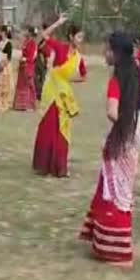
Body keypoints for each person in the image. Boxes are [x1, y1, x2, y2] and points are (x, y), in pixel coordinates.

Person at [79, 32, 140, 268]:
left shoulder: (116, 78)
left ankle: (114, 250)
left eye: (106, 49)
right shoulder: (135, 73)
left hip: (121, 134)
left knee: (113, 191)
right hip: (134, 133)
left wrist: (118, 123)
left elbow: (112, 111)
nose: (103, 53)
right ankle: (110, 243)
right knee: (123, 189)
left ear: (116, 53)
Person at [32, 14, 87, 177]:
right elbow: (44, 36)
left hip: (65, 95)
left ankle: (59, 166)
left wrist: (69, 80)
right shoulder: (60, 48)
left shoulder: (78, 58)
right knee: (48, 125)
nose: (80, 40)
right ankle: (43, 165)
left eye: (82, 37)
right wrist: (58, 22)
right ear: (71, 36)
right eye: (78, 36)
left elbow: (84, 76)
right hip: (52, 92)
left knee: (63, 128)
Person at [12, 25, 38, 111]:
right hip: (23, 66)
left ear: (30, 33)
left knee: (29, 84)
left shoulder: (33, 43)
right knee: (22, 85)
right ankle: (20, 105)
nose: (26, 33)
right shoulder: (26, 41)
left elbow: (33, 56)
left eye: (27, 31)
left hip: (28, 66)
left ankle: (30, 105)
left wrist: (26, 59)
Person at [0, 24, 15, 113]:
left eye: (1, 32)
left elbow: (9, 57)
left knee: (5, 85)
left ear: (5, 33)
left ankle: (4, 104)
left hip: (5, 66)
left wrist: (2, 65)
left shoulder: (8, 43)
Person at [34, 23, 50, 101]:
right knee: (38, 77)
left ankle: (41, 93)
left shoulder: (45, 39)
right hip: (38, 58)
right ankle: (38, 93)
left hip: (42, 58)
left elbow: (46, 51)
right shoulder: (41, 38)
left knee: (42, 77)